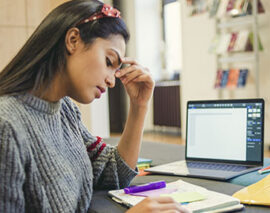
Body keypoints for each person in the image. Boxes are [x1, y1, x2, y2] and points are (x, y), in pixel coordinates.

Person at [0, 0, 189, 212]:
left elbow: (113, 172)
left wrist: (139, 106)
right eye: (109, 62)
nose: (111, 81)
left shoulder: (64, 110)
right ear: (73, 40)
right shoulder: (7, 125)